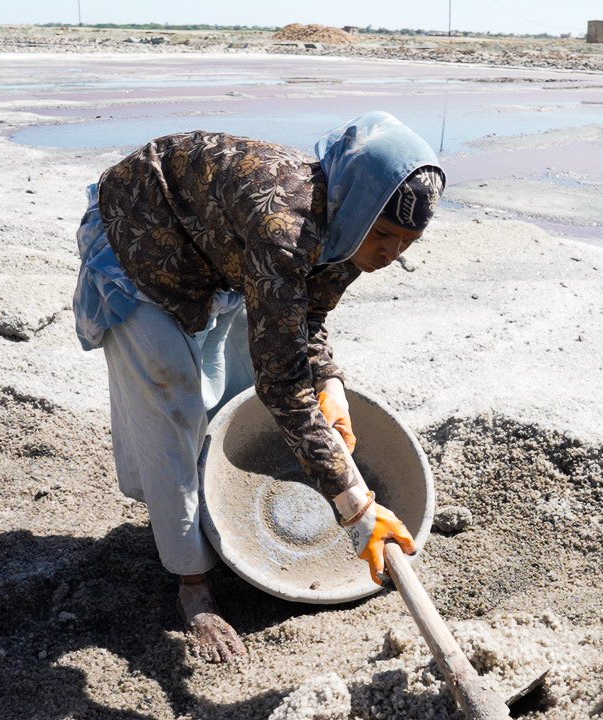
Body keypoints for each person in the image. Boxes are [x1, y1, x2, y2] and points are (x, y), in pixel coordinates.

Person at [72, 111, 446, 664]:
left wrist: (332, 386)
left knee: (241, 383)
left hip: (217, 252)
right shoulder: (285, 230)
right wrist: (358, 508)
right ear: (358, 207)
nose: (391, 254)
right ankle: (192, 586)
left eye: (406, 243)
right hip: (143, 236)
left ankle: (214, 516)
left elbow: (307, 318)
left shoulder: (350, 229)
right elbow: (284, 388)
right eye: (386, 236)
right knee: (170, 397)